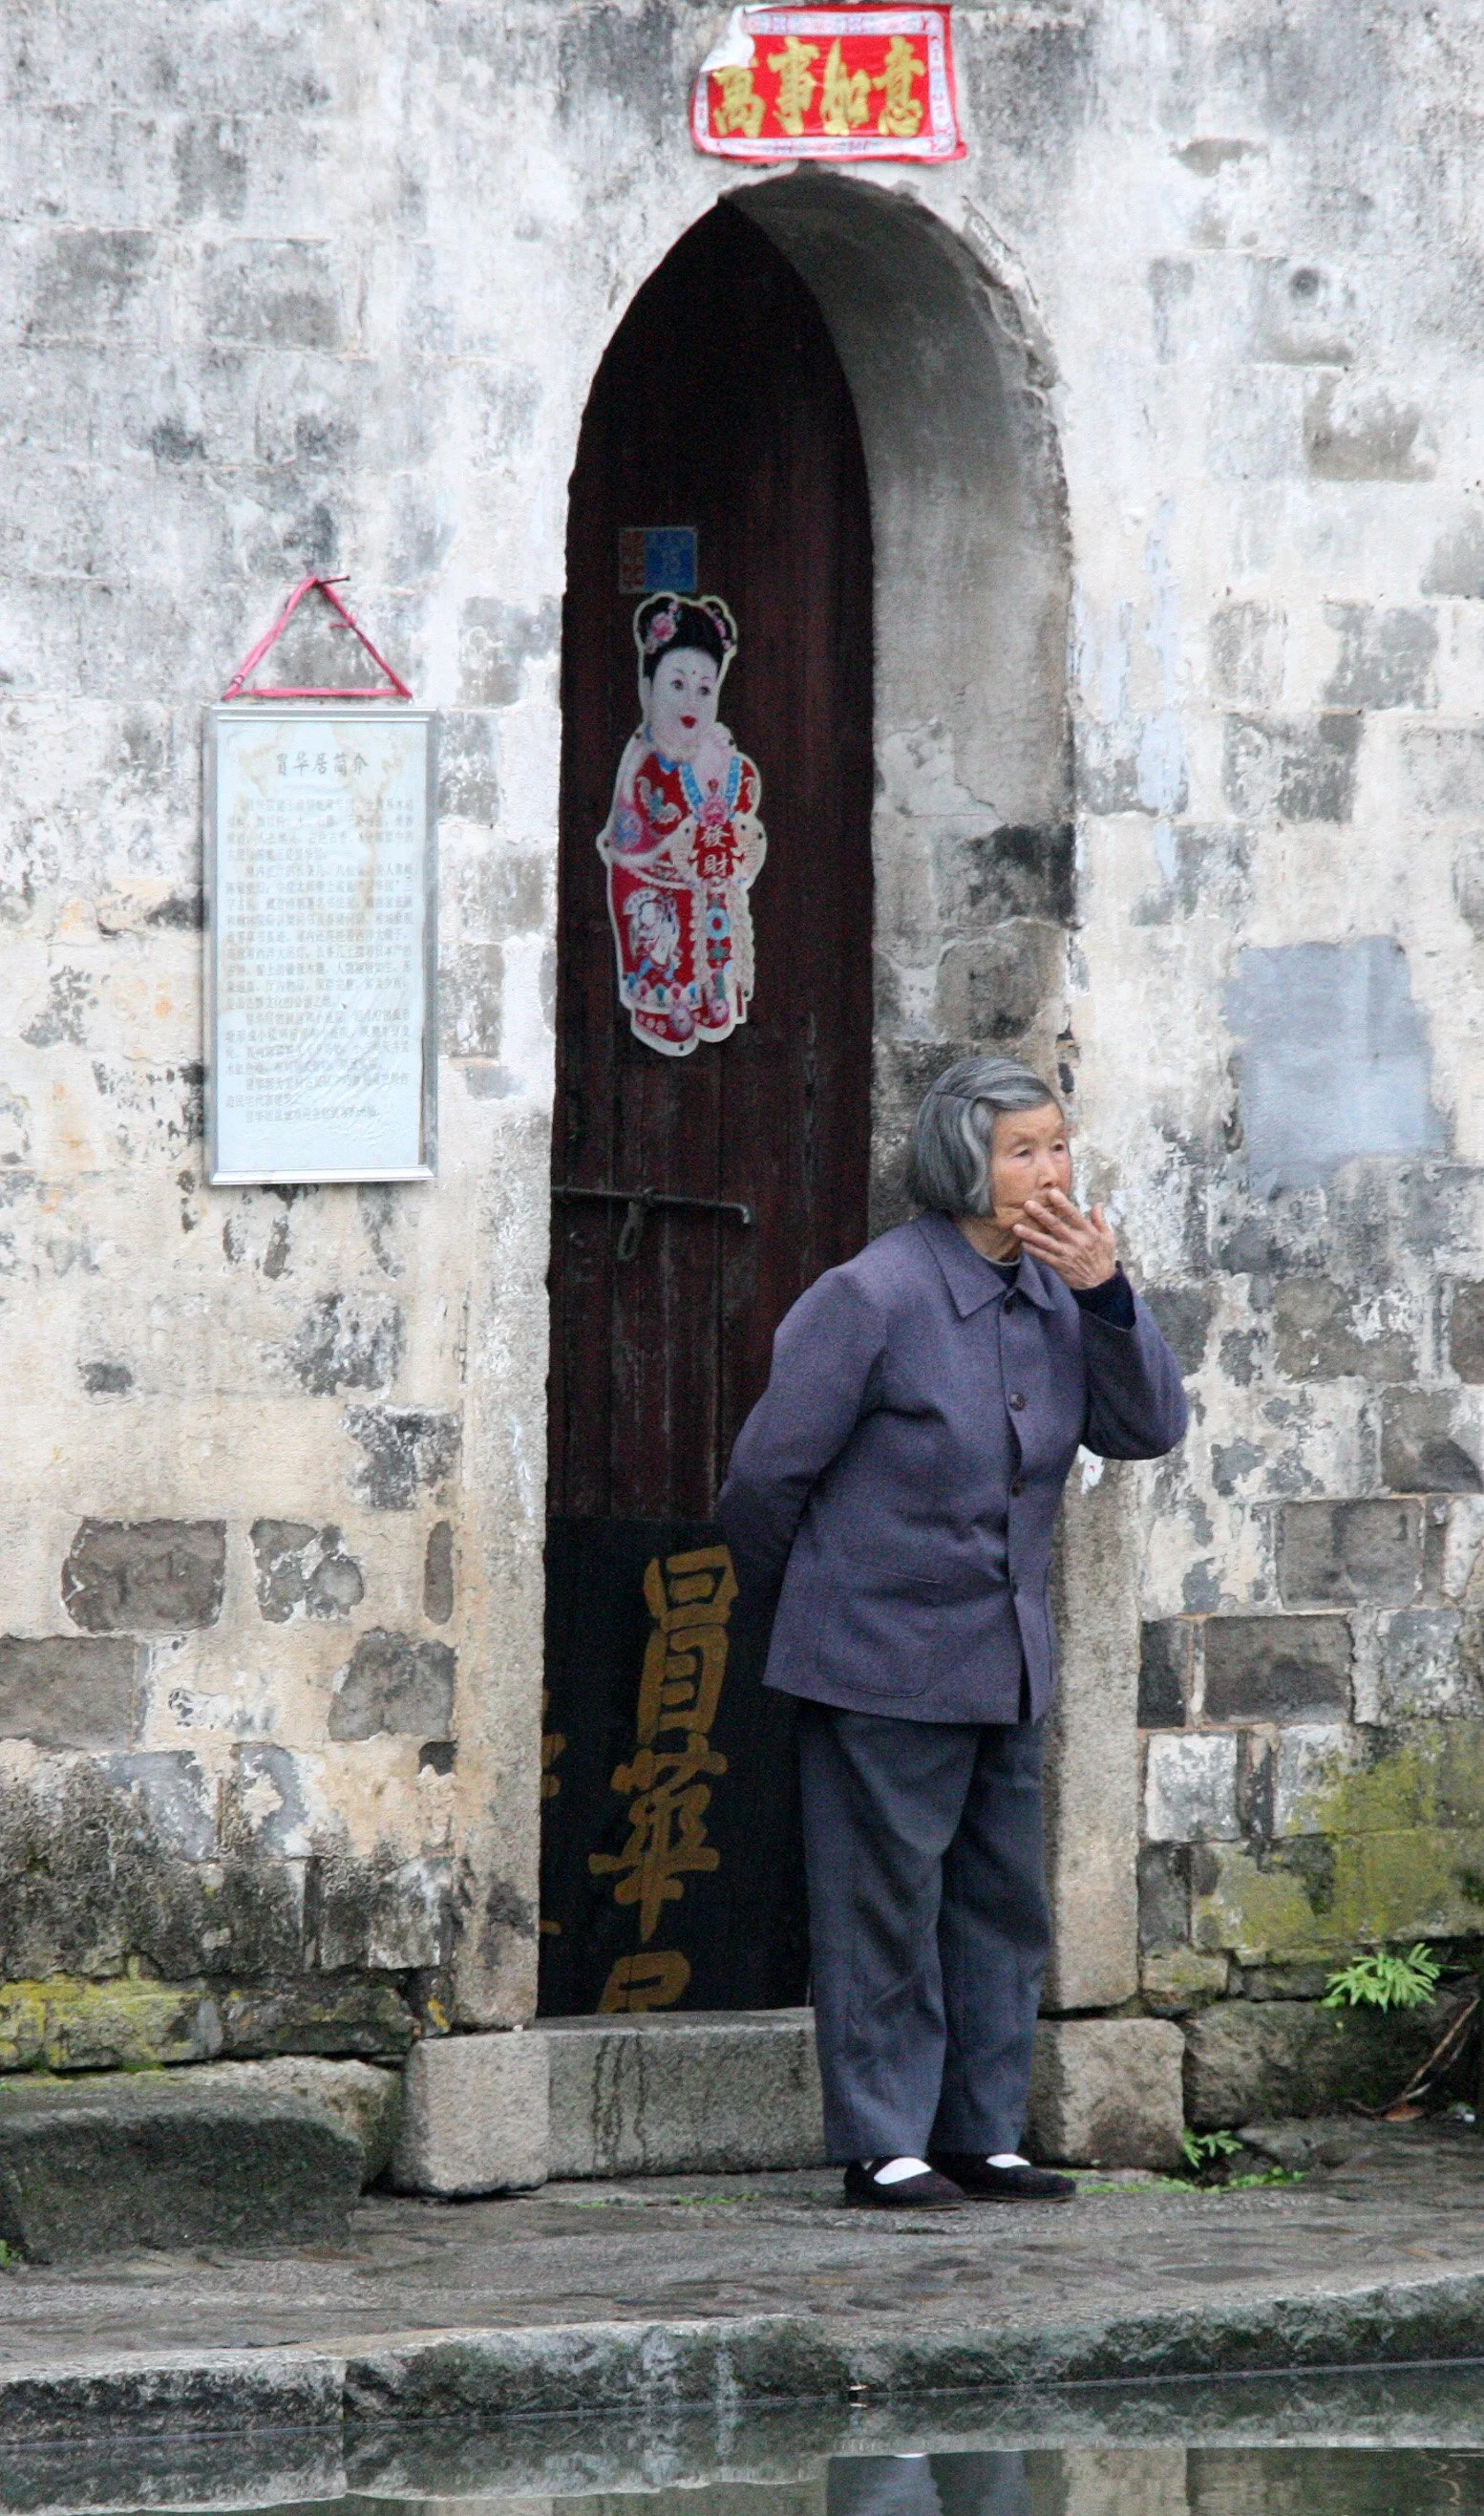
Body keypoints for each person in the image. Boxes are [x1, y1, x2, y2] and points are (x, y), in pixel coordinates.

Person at [718, 1054, 1188, 2209]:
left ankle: (983, 2131)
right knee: (883, 1904)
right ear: (958, 1161)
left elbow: (1145, 1430)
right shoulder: (871, 1295)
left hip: (1006, 1660)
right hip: (876, 1660)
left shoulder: (1057, 1295)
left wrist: (1110, 1299)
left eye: (1058, 1146)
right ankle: (884, 2140)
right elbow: (764, 1483)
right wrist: (826, 1613)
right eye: (1021, 1151)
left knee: (999, 1906)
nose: (1047, 1172)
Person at [597, 591, 766, 1055]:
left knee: (716, 948)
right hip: (658, 886)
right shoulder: (643, 760)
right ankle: (667, 1002)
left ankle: (716, 990)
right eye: (676, 684)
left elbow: (743, 820)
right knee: (661, 931)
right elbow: (632, 845)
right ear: (648, 688)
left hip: (712, 892)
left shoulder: (724, 754)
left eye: (704, 689)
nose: (691, 699)